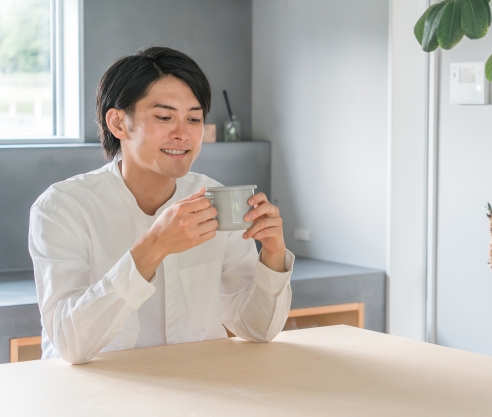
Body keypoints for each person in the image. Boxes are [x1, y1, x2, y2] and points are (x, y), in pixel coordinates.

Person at [28, 47, 294, 364]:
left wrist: (273, 254)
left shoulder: (214, 197)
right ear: (117, 123)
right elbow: (69, 344)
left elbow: (257, 328)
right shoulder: (62, 207)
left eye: (194, 119)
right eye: (164, 117)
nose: (182, 134)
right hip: (96, 395)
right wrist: (154, 247)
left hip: (197, 388)